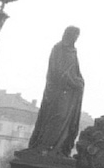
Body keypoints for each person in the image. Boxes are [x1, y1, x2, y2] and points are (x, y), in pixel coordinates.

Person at [27, 26, 85, 156]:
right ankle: (45, 146)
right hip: (57, 91)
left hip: (69, 93)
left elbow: (76, 70)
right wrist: (72, 81)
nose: (76, 38)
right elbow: (56, 70)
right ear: (68, 34)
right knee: (58, 116)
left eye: (77, 36)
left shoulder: (73, 52)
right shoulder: (58, 48)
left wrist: (80, 81)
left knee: (67, 120)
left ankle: (58, 148)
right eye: (74, 35)